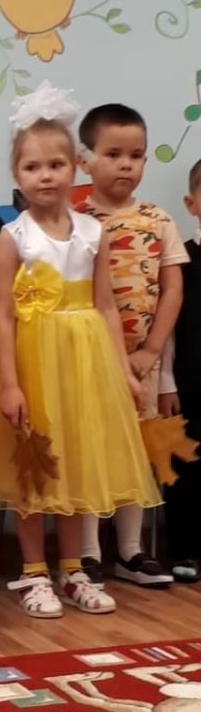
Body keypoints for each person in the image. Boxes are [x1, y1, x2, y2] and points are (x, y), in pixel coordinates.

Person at [0, 81, 160, 618]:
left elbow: (105, 306)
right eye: (32, 167)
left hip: (85, 364)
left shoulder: (93, 232)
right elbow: (4, 313)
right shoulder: (15, 237)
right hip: (33, 363)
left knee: (75, 465)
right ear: (16, 175)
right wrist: (9, 384)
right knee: (35, 468)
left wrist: (122, 371)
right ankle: (34, 573)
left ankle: (73, 570)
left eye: (55, 165)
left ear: (75, 167)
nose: (45, 176)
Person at [76, 103, 186, 587]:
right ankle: (85, 553)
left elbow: (172, 290)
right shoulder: (75, 221)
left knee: (133, 451)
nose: (126, 165)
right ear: (85, 160)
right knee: (90, 450)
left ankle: (130, 551)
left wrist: (152, 351)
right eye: (113, 154)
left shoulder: (158, 220)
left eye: (136, 156)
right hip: (90, 361)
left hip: (142, 362)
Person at [158, 158, 201, 582]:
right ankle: (186, 549)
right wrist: (166, 382)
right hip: (190, 381)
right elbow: (167, 328)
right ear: (191, 204)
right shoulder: (181, 262)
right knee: (185, 466)